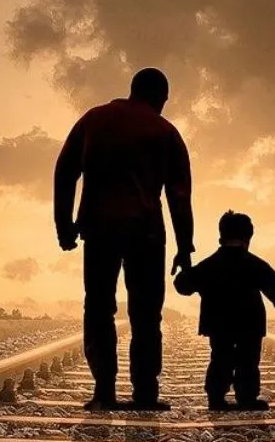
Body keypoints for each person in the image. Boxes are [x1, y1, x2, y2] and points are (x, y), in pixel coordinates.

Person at [54, 68, 194, 412]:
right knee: (146, 314)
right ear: (161, 97)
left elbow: (65, 171)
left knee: (99, 307)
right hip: (146, 232)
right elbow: (179, 195)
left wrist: (65, 225)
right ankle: (145, 392)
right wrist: (184, 247)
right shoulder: (166, 131)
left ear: (132, 89)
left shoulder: (93, 120)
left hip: (99, 230)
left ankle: (104, 391)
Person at [174, 210, 275, 411]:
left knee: (220, 357)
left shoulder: (210, 264)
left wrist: (185, 267)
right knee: (248, 361)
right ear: (249, 237)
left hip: (218, 323)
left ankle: (216, 398)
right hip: (250, 324)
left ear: (221, 236)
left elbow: (183, 286)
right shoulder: (257, 265)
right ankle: (246, 398)